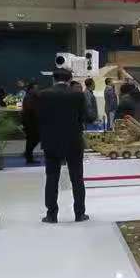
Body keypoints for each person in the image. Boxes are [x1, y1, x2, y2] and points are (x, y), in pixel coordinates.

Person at [37, 68, 94, 223]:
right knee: (77, 178)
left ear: (54, 79)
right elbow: (85, 117)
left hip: (51, 142)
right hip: (73, 141)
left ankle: (51, 215)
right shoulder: (78, 95)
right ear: (69, 79)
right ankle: (79, 213)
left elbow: (39, 118)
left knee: (51, 178)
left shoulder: (43, 95)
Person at [21, 81, 40, 164]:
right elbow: (29, 110)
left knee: (33, 139)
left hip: (34, 122)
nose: (37, 90)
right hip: (30, 122)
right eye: (35, 88)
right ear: (30, 89)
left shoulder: (34, 97)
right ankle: (28, 155)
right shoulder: (28, 97)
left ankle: (28, 154)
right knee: (32, 139)